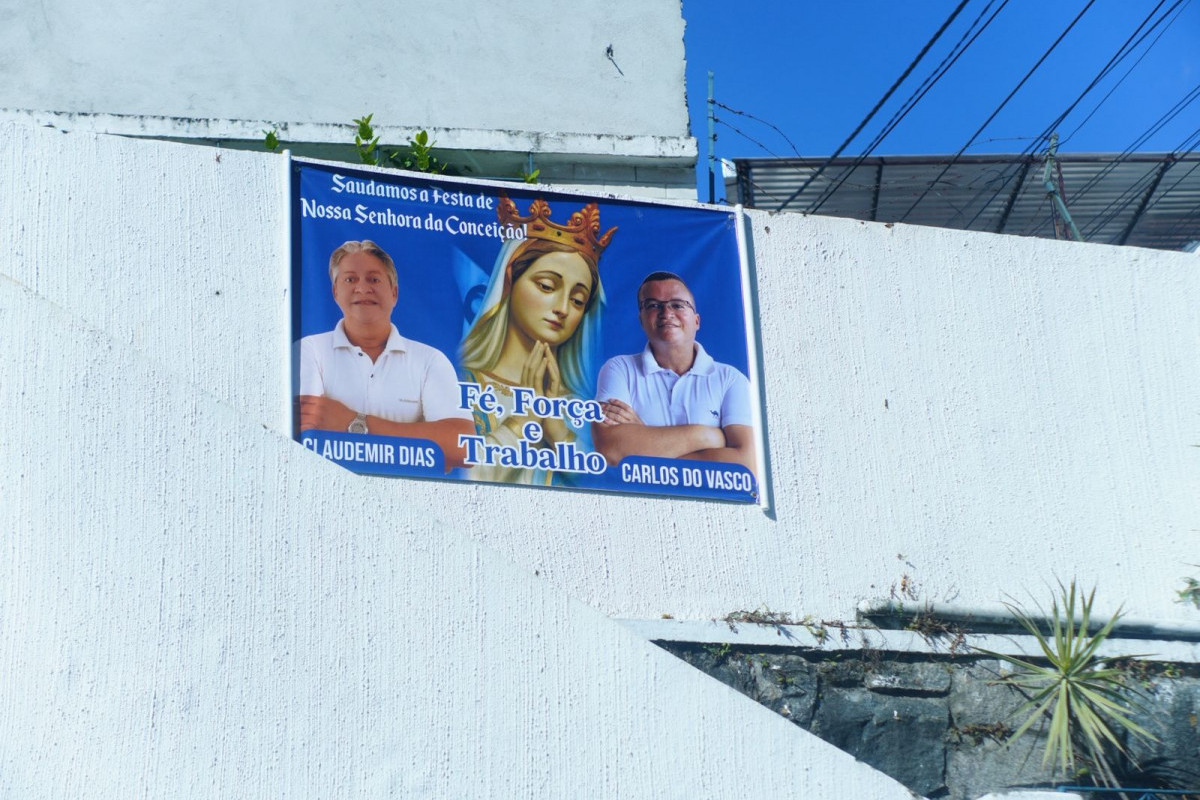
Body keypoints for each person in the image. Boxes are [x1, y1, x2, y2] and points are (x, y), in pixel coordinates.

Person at [459, 197, 616, 484]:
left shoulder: (579, 405)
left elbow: (609, 490)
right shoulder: (461, 384)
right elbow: (455, 476)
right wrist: (523, 420)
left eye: (578, 299)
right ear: (509, 283)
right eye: (546, 286)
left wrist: (554, 423)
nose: (563, 308)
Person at [298, 239, 473, 470]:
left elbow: (461, 446)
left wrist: (353, 422)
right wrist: (421, 436)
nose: (362, 288)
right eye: (350, 279)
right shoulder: (310, 350)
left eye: (374, 279)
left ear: (394, 293)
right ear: (335, 292)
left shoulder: (429, 360)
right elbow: (305, 430)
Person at [593, 271, 756, 476]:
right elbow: (611, 450)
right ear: (641, 320)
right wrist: (707, 437)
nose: (666, 312)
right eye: (653, 305)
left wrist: (645, 443)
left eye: (678, 305)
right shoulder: (619, 369)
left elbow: (747, 465)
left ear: (697, 321)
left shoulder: (731, 379)